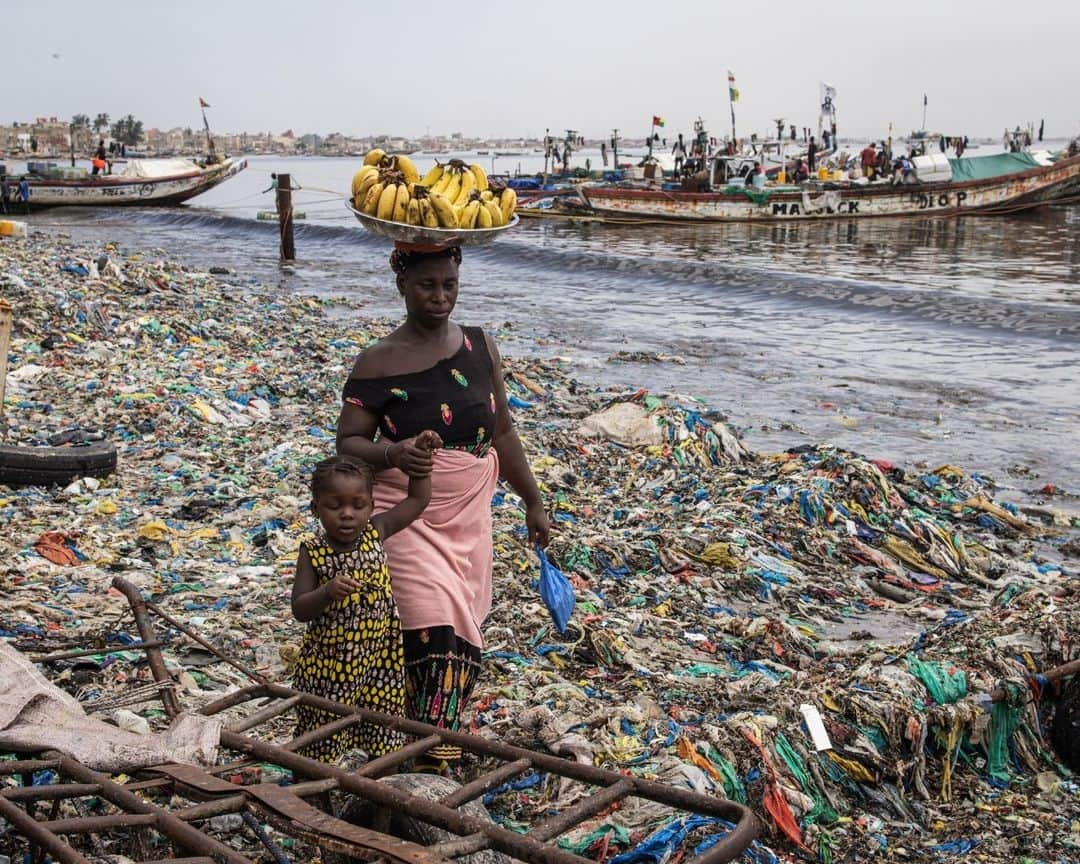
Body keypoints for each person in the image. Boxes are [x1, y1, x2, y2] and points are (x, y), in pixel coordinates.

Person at [336, 243, 550, 770]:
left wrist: (533, 502)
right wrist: (394, 452)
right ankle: (432, 760)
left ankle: (423, 749)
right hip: (407, 508)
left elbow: (501, 430)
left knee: (462, 638)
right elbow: (348, 443)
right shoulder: (378, 361)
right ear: (402, 285)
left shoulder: (480, 346)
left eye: (449, 285)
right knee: (435, 628)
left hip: (468, 515)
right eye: (427, 285)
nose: (440, 297)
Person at [291, 446, 440, 763]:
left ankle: (378, 800)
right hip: (331, 666)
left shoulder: (376, 531)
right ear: (315, 508)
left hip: (380, 661)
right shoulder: (313, 551)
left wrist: (421, 461)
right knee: (323, 736)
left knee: (383, 733)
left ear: (372, 506)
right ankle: (311, 798)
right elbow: (300, 609)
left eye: (358, 506)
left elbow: (417, 501)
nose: (347, 514)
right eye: (335, 506)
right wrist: (327, 592)